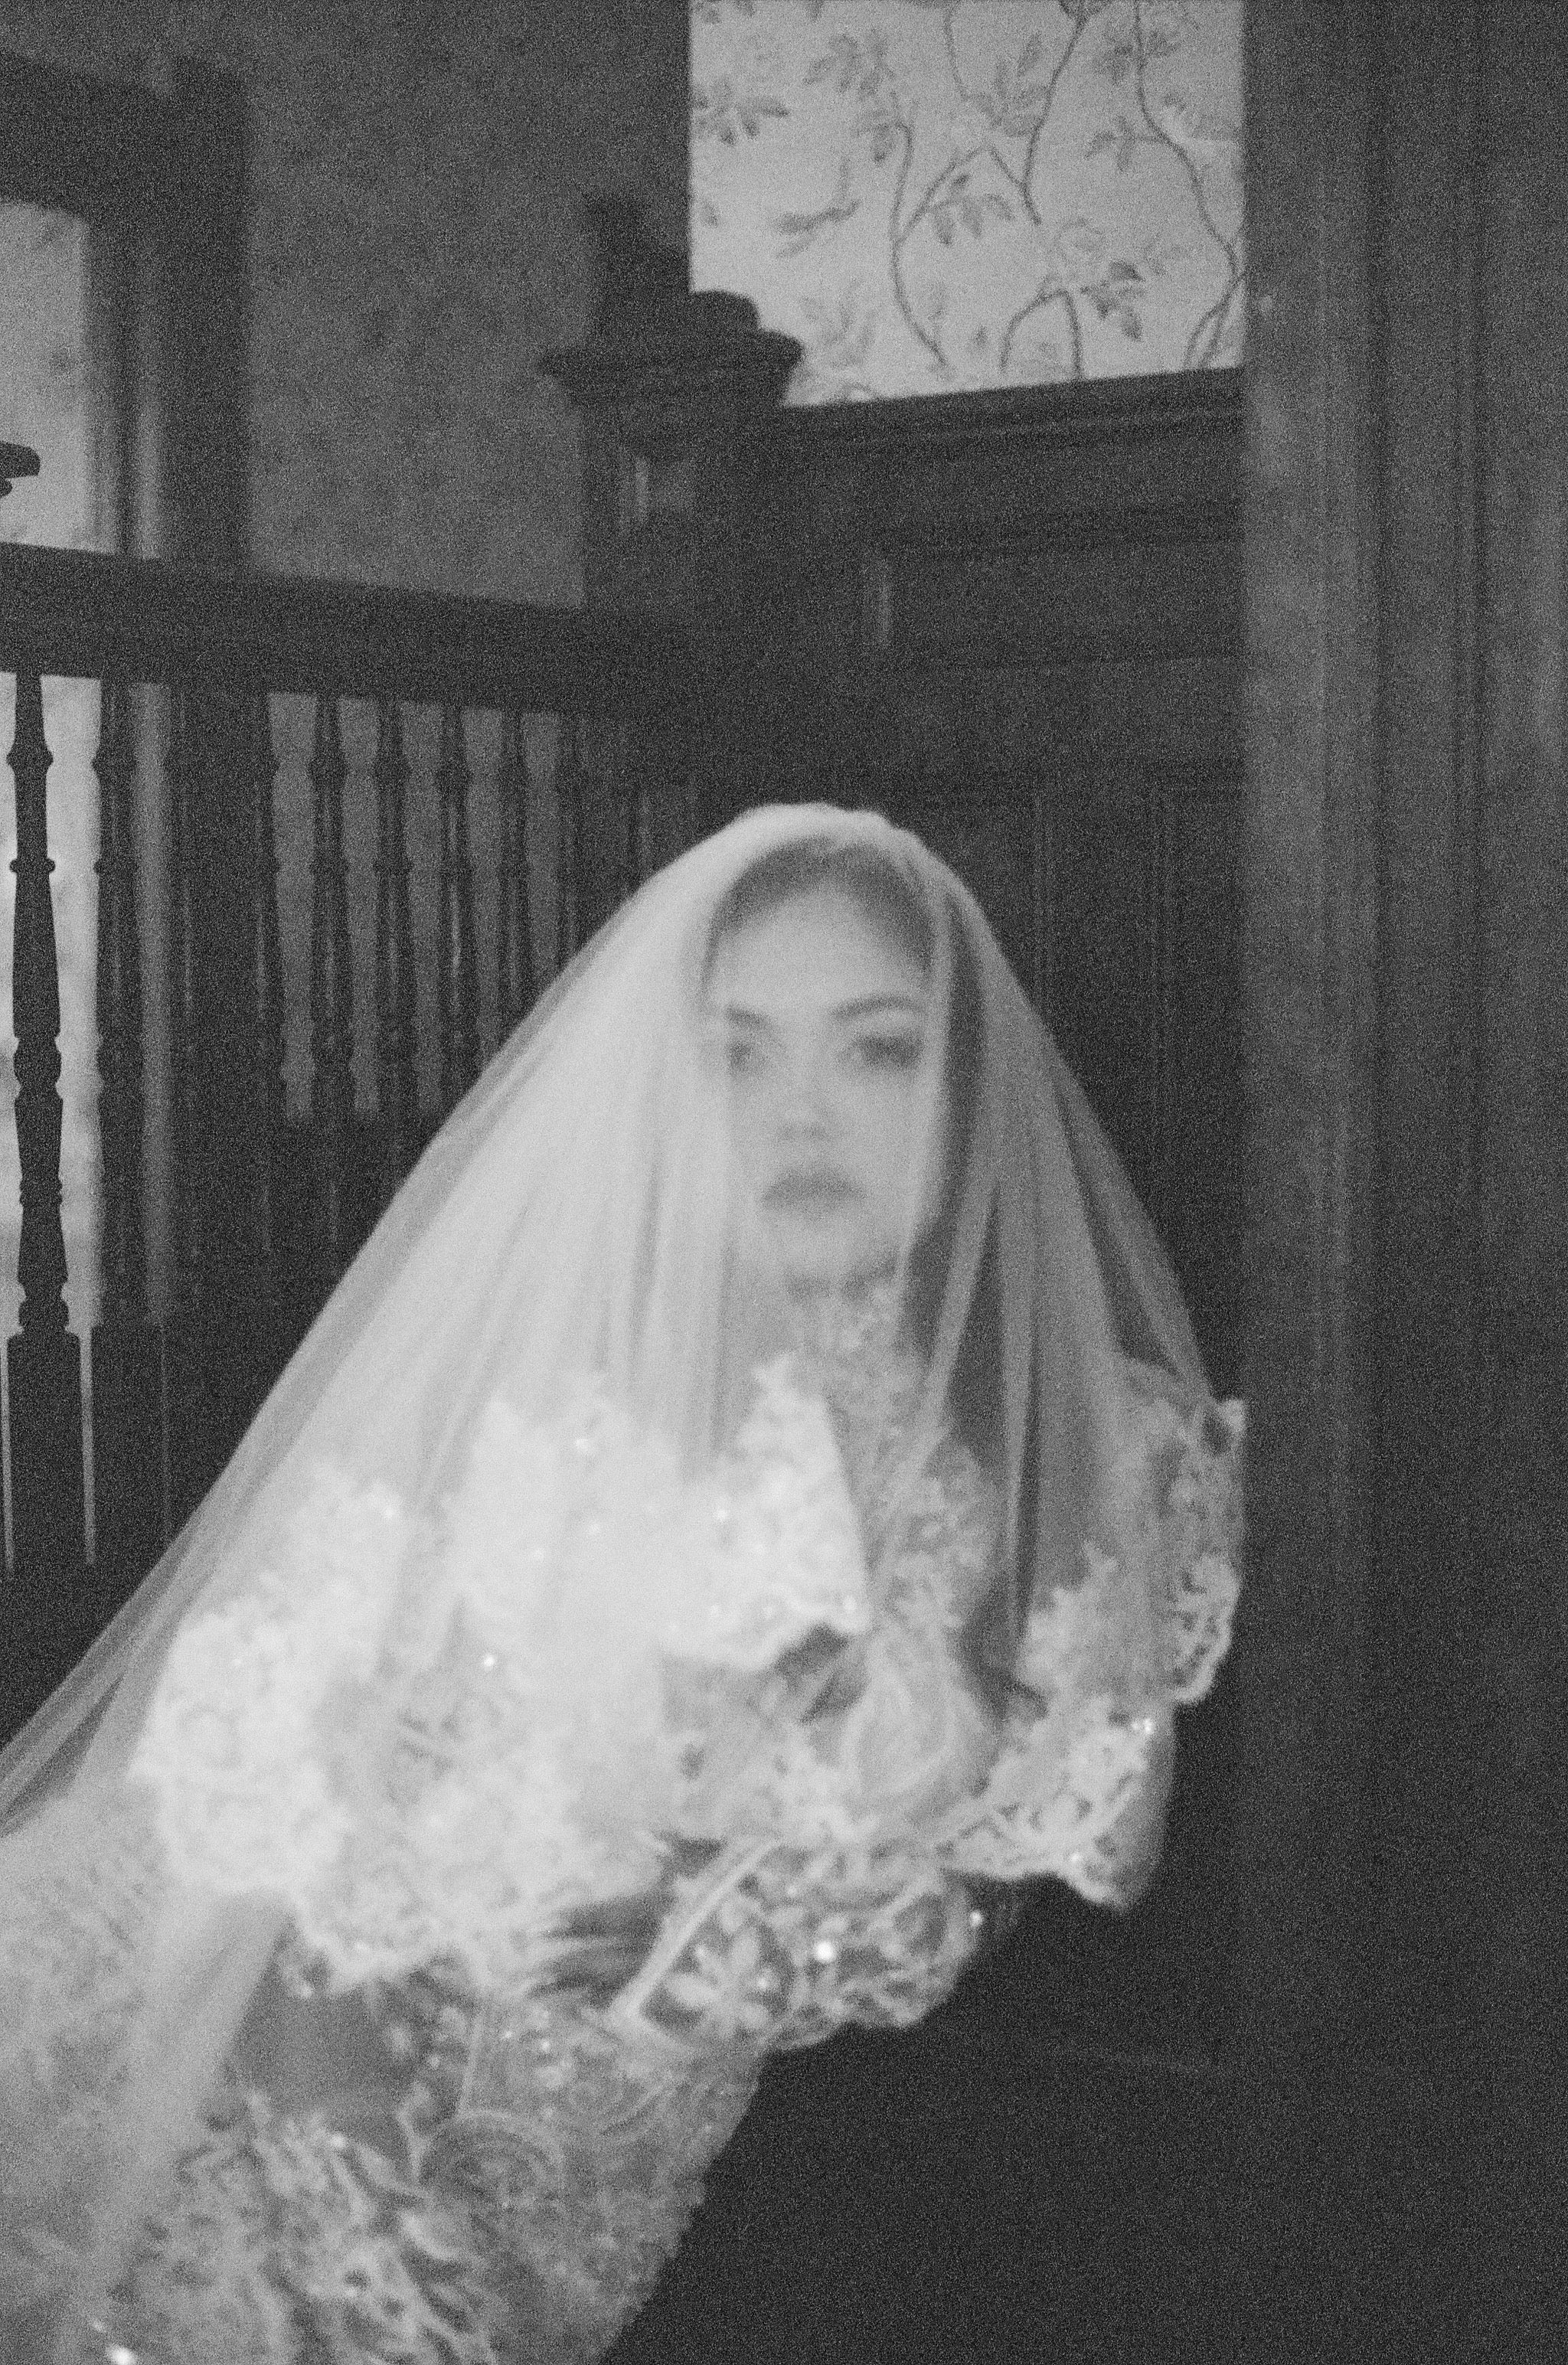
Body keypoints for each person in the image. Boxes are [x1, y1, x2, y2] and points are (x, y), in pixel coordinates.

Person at [0, 804, 1243, 2365]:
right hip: (277, 2078)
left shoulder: (1099, 1440)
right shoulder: (561, 1397)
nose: (802, 1115)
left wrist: (748, 1933)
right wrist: (363, 2210)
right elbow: (282, 1819)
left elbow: (1027, 1846)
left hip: (698, 2166)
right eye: (738, 1057)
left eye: (875, 1051)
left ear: (967, 1093)